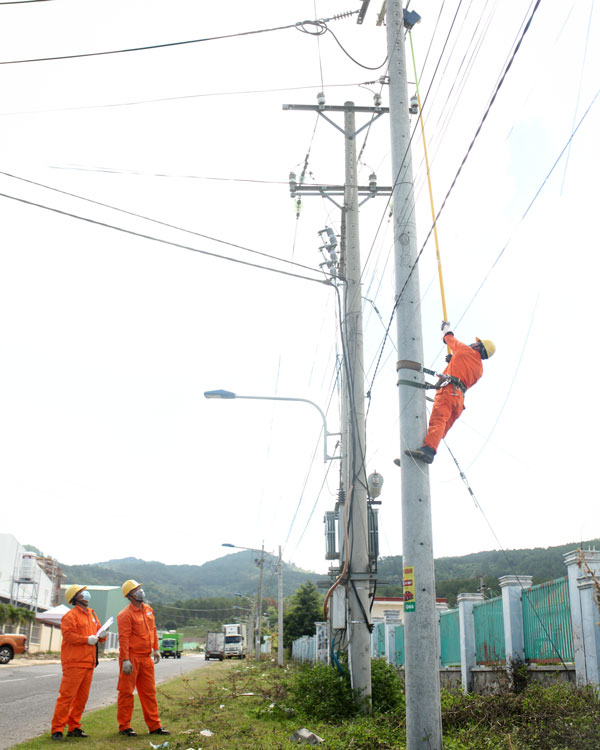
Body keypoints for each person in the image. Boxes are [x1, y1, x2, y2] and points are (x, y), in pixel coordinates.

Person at [405, 322, 495, 464]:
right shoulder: (480, 370)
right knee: (439, 429)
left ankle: (428, 450)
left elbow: (449, 339)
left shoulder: (464, 350)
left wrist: (446, 328)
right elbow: (463, 372)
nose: (473, 343)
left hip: (449, 392)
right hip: (459, 401)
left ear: (479, 347)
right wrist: (453, 360)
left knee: (438, 421)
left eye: (476, 343)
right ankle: (425, 449)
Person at [50, 584, 107, 741]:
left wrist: (103, 634)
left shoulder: (92, 614)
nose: (85, 594)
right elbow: (69, 636)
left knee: (82, 698)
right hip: (74, 663)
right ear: (75, 598)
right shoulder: (70, 616)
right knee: (67, 697)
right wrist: (86, 640)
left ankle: (74, 727)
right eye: (82, 592)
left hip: (89, 662)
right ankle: (57, 729)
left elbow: (98, 633)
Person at [116, 579, 169, 738]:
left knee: (149, 693)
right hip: (131, 658)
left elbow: (153, 630)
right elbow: (124, 639)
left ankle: (155, 726)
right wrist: (125, 659)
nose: (140, 591)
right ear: (130, 595)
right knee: (126, 692)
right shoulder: (125, 615)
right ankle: (124, 726)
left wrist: (156, 649)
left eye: (140, 588)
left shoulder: (149, 610)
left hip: (146, 658)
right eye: (136, 589)